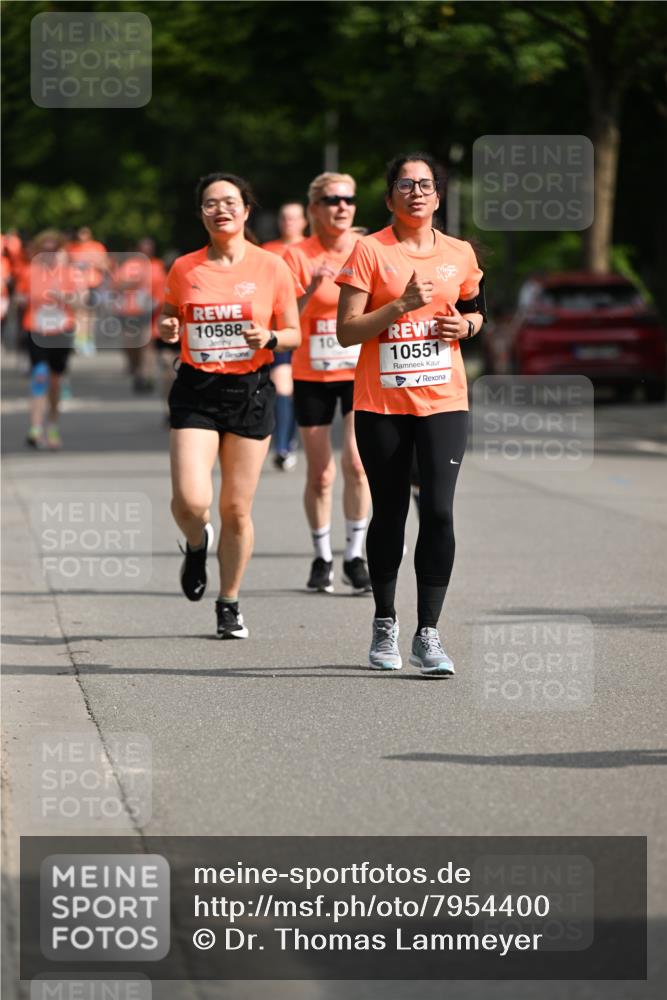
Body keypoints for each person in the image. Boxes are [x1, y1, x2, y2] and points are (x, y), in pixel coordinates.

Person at [336, 152, 485, 674]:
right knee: (392, 511)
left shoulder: (459, 253)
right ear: (389, 198)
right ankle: (384, 622)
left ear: (438, 197)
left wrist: (466, 329)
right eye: (406, 184)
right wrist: (399, 306)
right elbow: (346, 331)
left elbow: (474, 309)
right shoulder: (369, 251)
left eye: (425, 184)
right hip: (382, 403)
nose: (416, 192)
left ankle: (429, 632)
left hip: (445, 399)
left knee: (440, 511)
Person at [158, 172, 300, 639]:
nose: (220, 210)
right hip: (197, 389)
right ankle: (197, 544)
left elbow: (295, 332)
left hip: (250, 392)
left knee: (236, 508)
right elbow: (169, 316)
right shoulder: (185, 268)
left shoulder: (272, 267)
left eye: (229, 202)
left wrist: (272, 337)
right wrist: (168, 329)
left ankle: (229, 602)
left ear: (246, 209)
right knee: (190, 501)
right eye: (210, 203)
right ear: (201, 213)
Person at [284, 172, 371, 595]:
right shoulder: (297, 256)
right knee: (320, 474)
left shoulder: (366, 249)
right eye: (332, 199)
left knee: (357, 463)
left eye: (348, 199)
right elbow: (280, 319)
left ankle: (355, 555)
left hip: (359, 372)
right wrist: (312, 288)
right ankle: (321, 557)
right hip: (312, 374)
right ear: (314, 208)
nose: (342, 206)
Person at [16, 230, 78, 449]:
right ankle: (35, 428)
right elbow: (20, 297)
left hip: (61, 329)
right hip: (37, 328)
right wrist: (21, 299)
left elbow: (81, 298)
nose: (50, 255)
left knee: (54, 381)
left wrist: (65, 297)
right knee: (39, 375)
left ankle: (52, 424)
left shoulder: (68, 273)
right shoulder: (29, 271)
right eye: (46, 251)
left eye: (54, 251)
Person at [262, 203, 307, 470]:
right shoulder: (267, 251)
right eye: (284, 217)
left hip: (313, 335)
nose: (288, 222)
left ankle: (290, 440)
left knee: (301, 392)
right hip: (281, 331)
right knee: (282, 386)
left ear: (304, 221)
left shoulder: (314, 249)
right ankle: (282, 446)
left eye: (294, 217)